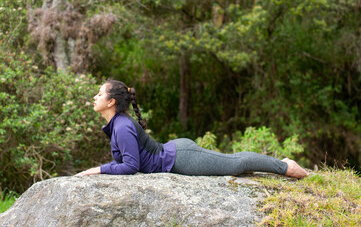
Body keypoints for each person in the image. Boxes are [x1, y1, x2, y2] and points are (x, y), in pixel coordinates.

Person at [74, 80, 309, 179]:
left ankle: (284, 166)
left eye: (99, 94)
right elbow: (129, 161)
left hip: (181, 159)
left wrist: (96, 170)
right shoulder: (118, 124)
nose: (95, 97)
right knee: (234, 163)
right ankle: (283, 165)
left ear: (112, 101)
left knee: (235, 164)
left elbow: (131, 166)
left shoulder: (122, 126)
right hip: (175, 154)